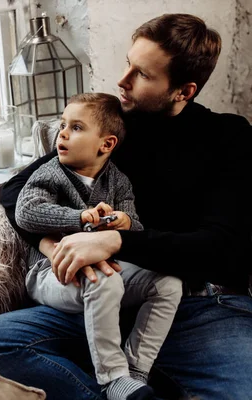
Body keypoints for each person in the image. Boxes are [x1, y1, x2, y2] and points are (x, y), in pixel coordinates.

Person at [0, 13, 252, 400]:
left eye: (143, 75)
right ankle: (125, 389)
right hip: (111, 297)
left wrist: (115, 242)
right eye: (128, 64)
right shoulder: (115, 131)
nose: (123, 81)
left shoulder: (229, 137)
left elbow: (219, 246)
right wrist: (53, 246)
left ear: (184, 91)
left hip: (201, 306)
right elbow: (18, 188)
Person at [15, 92, 182, 400]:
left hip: (107, 270)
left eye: (76, 127)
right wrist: (80, 218)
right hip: (52, 272)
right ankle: (111, 378)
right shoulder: (51, 172)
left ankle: (135, 370)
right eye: (63, 124)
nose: (62, 133)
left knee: (168, 283)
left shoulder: (118, 182)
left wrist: (124, 224)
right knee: (104, 282)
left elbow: (136, 229)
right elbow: (26, 212)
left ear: (106, 144)